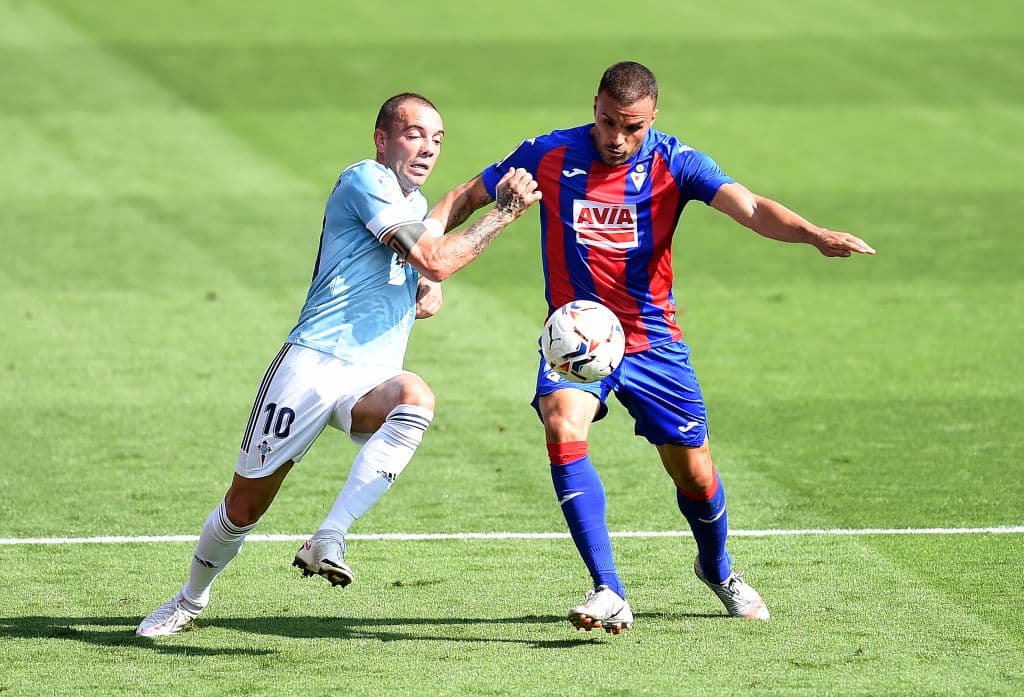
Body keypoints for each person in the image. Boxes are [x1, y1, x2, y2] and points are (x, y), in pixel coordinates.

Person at [430, 62, 875, 634]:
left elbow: (753, 207)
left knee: (693, 474)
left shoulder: (675, 162)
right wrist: (431, 262)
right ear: (594, 106)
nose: (618, 138)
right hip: (577, 338)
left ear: (653, 118)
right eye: (609, 121)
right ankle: (608, 588)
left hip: (652, 341)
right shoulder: (548, 152)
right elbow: (466, 195)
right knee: (563, 425)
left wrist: (814, 235)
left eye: (632, 127)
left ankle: (717, 569)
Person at [136, 93, 541, 637]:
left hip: (369, 378)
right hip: (312, 367)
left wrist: (525, 162)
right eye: (414, 134)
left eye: (438, 140)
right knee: (244, 506)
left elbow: (454, 203)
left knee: (416, 397)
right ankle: (190, 599)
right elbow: (436, 257)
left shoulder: (410, 207)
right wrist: (505, 213)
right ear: (382, 139)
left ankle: (330, 535)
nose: (427, 149)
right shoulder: (366, 181)